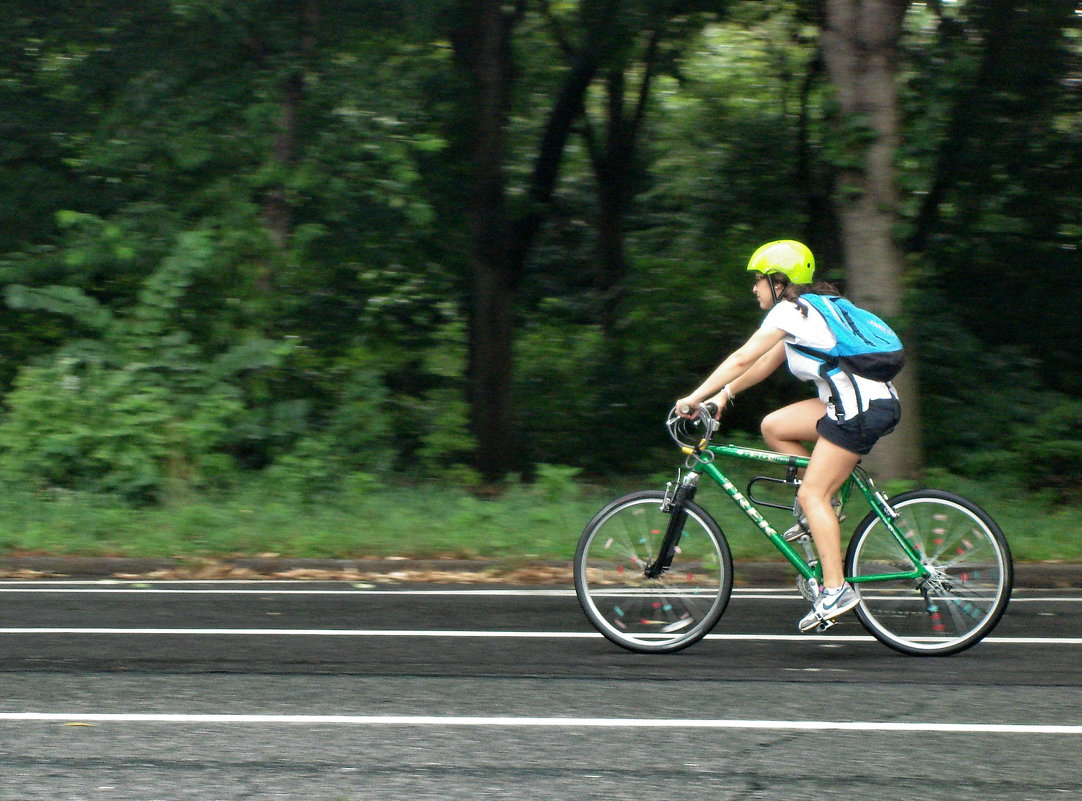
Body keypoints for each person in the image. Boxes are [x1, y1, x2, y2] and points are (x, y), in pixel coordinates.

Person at [675, 240, 901, 632]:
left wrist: (693, 398)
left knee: (813, 494)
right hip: (855, 403)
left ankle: (836, 589)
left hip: (859, 410)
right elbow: (763, 362)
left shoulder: (791, 311)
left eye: (759, 280)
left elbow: (742, 357)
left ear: (780, 281)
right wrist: (721, 397)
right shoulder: (809, 311)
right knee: (774, 427)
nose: (754, 288)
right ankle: (817, 513)